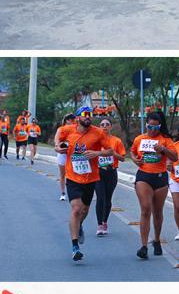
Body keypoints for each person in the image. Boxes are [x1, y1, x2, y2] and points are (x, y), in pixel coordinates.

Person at [55, 106, 114, 261]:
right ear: (78, 118)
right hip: (73, 177)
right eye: (85, 115)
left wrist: (97, 153)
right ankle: (75, 247)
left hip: (91, 177)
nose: (88, 117)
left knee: (85, 210)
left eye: (90, 115)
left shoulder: (98, 132)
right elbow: (58, 135)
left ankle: (79, 225)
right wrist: (57, 146)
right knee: (76, 209)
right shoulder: (68, 130)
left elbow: (110, 151)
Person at [130, 112, 177, 259]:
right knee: (145, 208)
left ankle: (156, 239)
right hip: (144, 176)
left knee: (157, 212)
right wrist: (134, 160)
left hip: (160, 177)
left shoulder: (165, 140)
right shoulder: (140, 139)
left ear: (160, 126)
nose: (153, 130)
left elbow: (175, 157)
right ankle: (143, 246)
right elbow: (132, 152)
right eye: (150, 126)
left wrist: (163, 149)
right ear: (147, 125)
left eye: (156, 127)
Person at [95, 117, 126, 236]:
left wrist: (113, 153)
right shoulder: (95, 141)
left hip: (111, 172)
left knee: (107, 199)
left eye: (107, 124)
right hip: (98, 172)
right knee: (100, 198)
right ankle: (99, 225)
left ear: (110, 127)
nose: (104, 126)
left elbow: (123, 158)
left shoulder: (116, 141)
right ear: (99, 127)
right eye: (102, 124)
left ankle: (105, 222)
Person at [52, 113, 76, 200]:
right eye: (72, 120)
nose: (74, 121)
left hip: (73, 154)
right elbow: (56, 140)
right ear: (67, 120)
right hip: (63, 153)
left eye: (74, 120)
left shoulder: (76, 128)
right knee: (63, 174)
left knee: (73, 174)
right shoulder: (61, 129)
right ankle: (62, 193)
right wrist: (58, 146)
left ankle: (74, 193)